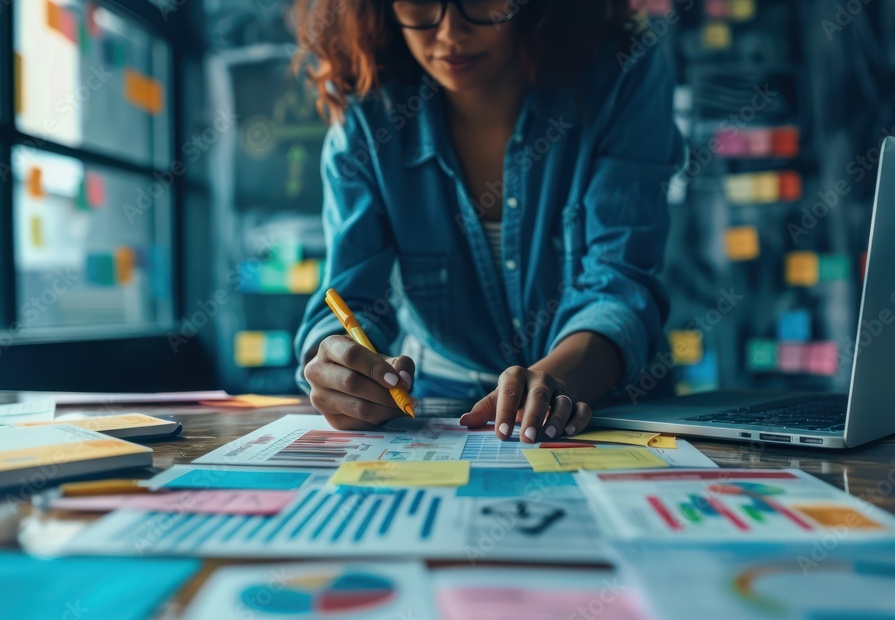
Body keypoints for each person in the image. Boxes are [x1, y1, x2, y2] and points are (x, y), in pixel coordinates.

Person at [293, 0, 684, 443]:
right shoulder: (368, 117)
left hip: (609, 405)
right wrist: (336, 368)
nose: (450, 35)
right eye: (420, 4)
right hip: (436, 404)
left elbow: (620, 280)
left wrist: (555, 381)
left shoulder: (621, 73)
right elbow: (349, 298)